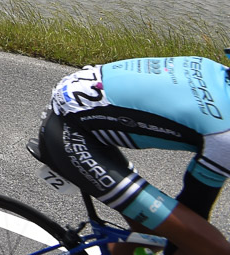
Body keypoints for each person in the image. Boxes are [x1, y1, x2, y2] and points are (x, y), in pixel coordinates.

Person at [33, 56, 230, 255]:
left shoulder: (218, 71)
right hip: (69, 131)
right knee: (212, 248)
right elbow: (193, 213)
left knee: (151, 237)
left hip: (79, 98)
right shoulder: (225, 135)